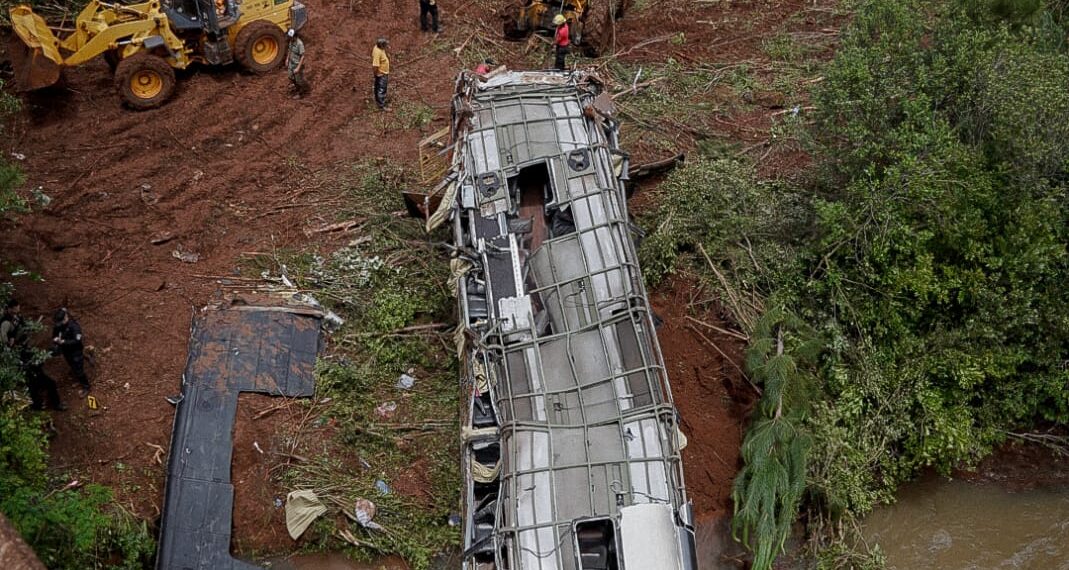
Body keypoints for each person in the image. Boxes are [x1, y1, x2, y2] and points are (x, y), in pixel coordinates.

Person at [2, 300, 64, 411]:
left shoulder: (17, 318)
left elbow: (23, 326)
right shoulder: (6, 322)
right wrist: (11, 342)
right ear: (10, 308)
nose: (17, 312)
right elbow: (4, 339)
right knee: (37, 386)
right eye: (15, 310)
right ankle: (41, 405)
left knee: (37, 385)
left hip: (29, 363)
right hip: (27, 366)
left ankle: (41, 404)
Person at [52, 308, 90, 396]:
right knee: (72, 366)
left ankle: (86, 386)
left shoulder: (74, 326)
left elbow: (77, 340)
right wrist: (55, 339)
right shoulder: (59, 325)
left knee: (79, 370)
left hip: (76, 352)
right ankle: (79, 380)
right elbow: (54, 334)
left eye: (62, 320)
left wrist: (64, 342)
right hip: (66, 351)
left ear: (66, 317)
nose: (60, 323)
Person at [286, 28, 309, 98]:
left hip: (297, 64)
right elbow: (289, 50)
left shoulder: (300, 44)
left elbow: (302, 56)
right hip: (291, 63)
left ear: (295, 36)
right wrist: (287, 59)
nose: (289, 38)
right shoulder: (291, 41)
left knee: (299, 80)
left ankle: (301, 94)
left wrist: (298, 68)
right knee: (290, 76)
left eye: (291, 37)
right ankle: (296, 87)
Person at [372, 37, 391, 111]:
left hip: (383, 73)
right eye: (385, 45)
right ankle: (381, 106)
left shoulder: (379, 47)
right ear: (381, 46)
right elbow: (375, 65)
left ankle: (379, 101)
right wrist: (376, 73)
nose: (386, 46)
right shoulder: (378, 52)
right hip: (381, 73)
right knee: (381, 89)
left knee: (378, 88)